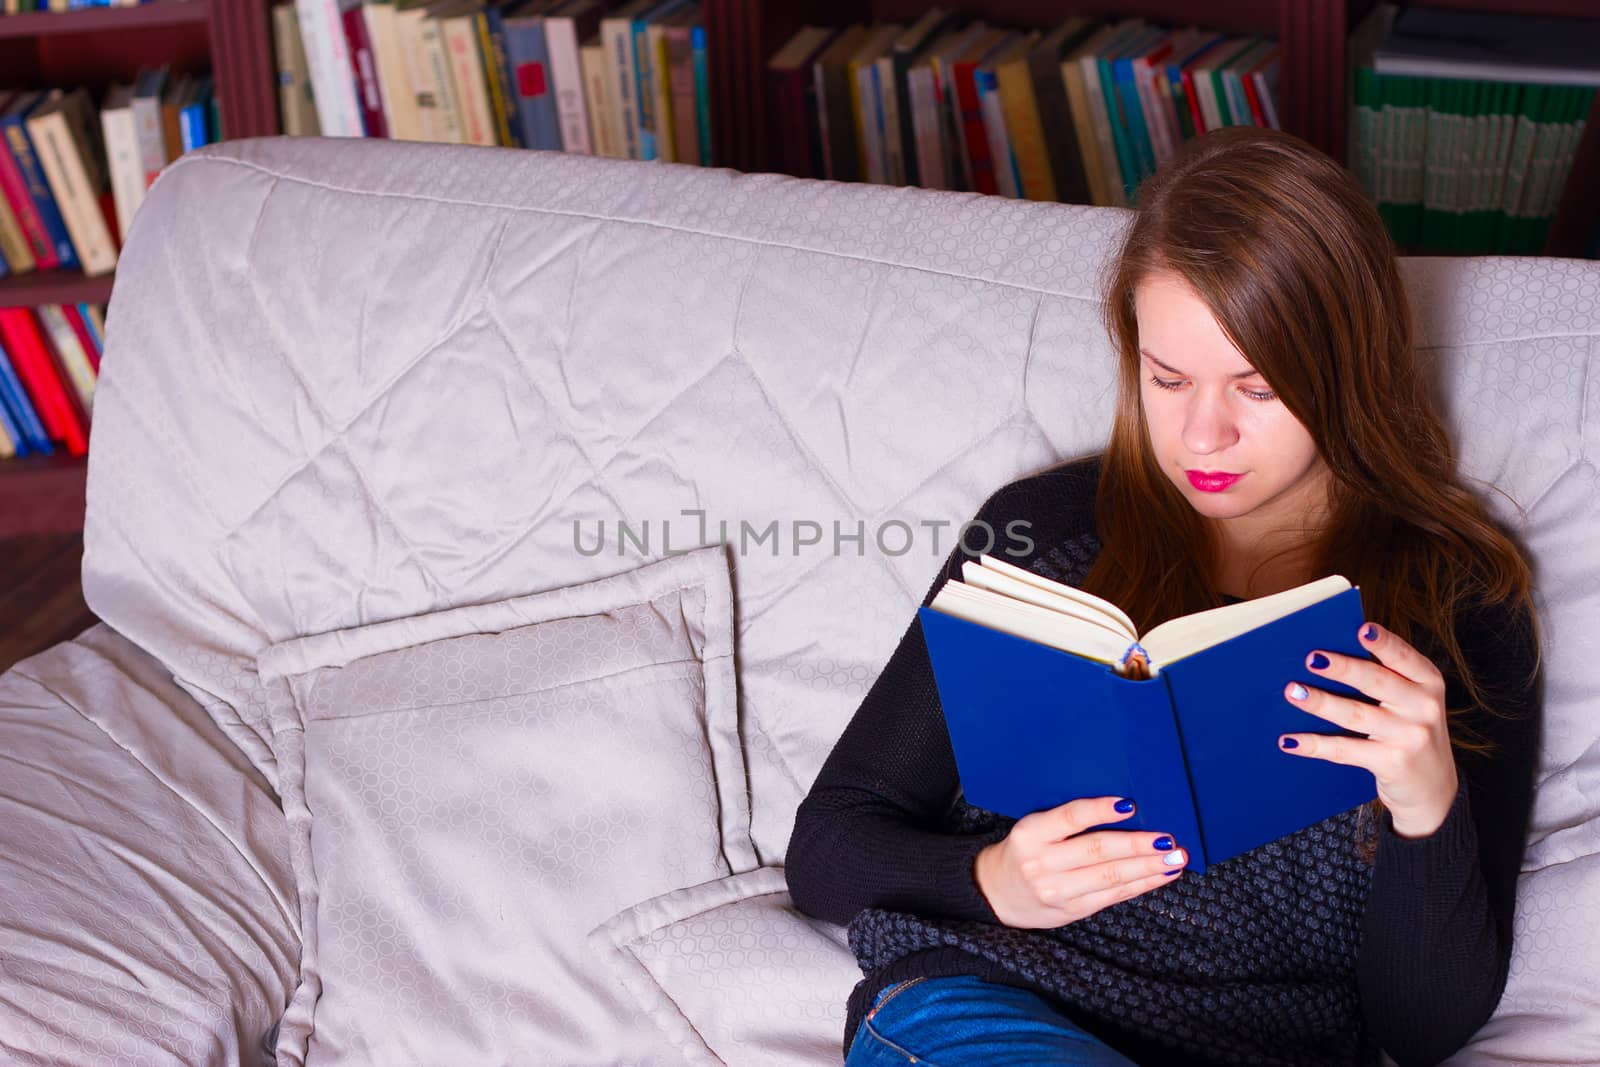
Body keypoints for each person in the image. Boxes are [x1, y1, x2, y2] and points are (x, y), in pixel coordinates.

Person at [784, 126, 1542, 1067]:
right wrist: (993, 881)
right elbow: (824, 848)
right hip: (988, 1010)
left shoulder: (1460, 601)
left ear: (1347, 374)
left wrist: (1429, 808)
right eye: (1168, 378)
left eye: (1257, 389)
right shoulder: (1043, 531)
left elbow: (1420, 1030)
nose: (1203, 434)